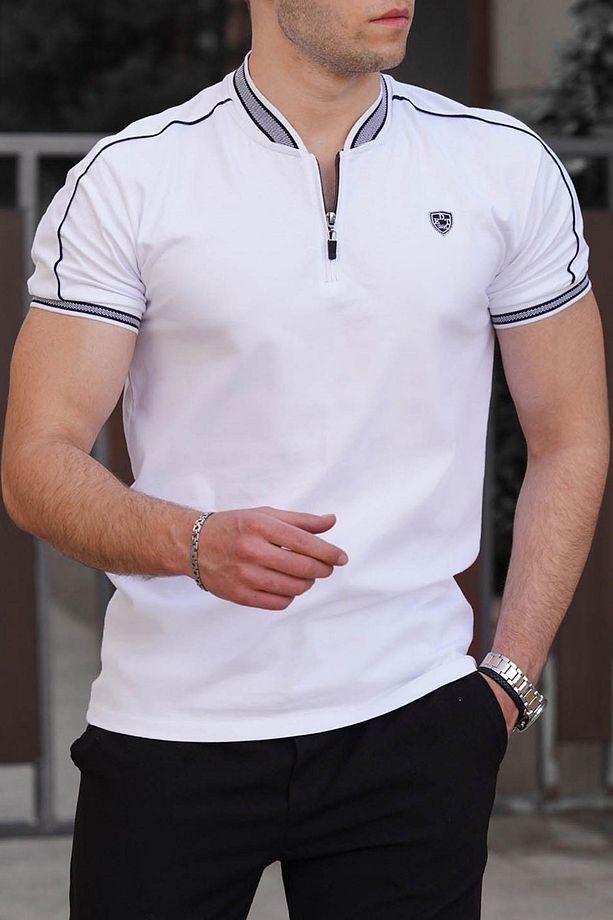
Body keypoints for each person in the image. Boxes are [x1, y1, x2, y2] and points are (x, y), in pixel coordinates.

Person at [2, 1, 609, 917]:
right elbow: (36, 459)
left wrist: (509, 681)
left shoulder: (502, 165)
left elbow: (571, 435)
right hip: (173, 725)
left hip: (416, 724)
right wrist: (191, 542)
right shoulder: (131, 179)